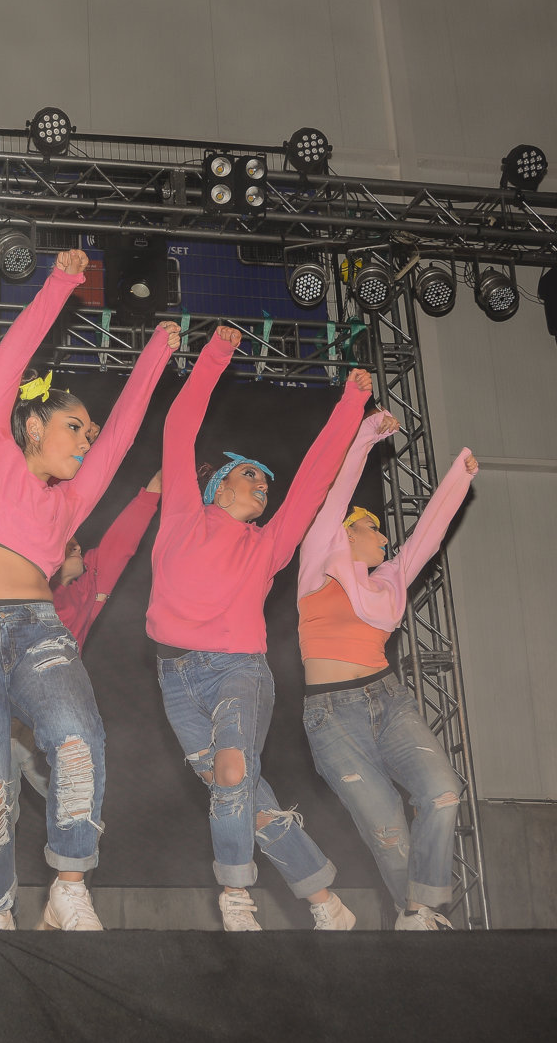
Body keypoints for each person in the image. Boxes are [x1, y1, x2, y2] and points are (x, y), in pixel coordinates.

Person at [0, 249, 179, 931]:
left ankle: (69, 884)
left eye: (86, 434)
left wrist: (156, 354)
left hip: (38, 629)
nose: (86, 442)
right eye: (74, 427)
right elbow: (11, 359)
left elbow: (122, 435)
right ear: (34, 425)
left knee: (75, 737)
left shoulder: (71, 499)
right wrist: (61, 283)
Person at [147, 325, 371, 932]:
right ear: (218, 484)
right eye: (250, 475)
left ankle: (235, 896)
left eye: (266, 484)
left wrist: (351, 403)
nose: (263, 487)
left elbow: (315, 479)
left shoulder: (268, 545)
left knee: (232, 774)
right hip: (174, 679)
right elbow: (178, 429)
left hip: (237, 673)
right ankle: (324, 901)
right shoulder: (183, 516)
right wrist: (215, 354)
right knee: (244, 796)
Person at [298, 409, 477, 930]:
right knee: (387, 828)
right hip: (333, 714)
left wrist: (459, 477)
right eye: (371, 528)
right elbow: (336, 496)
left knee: (442, 791)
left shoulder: (390, 583)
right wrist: (365, 437)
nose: (383, 537)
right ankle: (414, 915)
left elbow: (430, 534)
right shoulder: (319, 568)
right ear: (346, 534)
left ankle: (419, 910)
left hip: (387, 698)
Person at [9, 472, 163, 814]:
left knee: (78, 799)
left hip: (46, 707)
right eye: (68, 544)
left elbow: (118, 546)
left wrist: (152, 492)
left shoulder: (85, 591)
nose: (76, 546)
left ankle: (81, 842)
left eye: (77, 542)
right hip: (5, 699)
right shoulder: (20, 580)